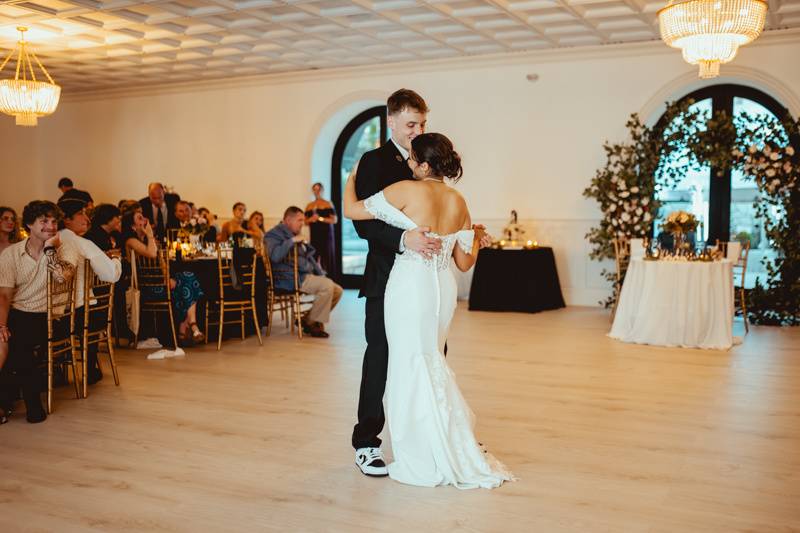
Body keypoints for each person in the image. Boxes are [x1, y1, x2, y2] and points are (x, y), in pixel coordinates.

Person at [344, 132, 511, 489]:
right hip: (443, 289)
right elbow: (465, 262)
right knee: (434, 360)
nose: (407, 165)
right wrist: (476, 237)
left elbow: (351, 210)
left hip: (410, 287)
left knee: (408, 364)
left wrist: (351, 180)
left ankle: (420, 448)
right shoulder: (458, 200)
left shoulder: (406, 189)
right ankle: (446, 440)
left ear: (422, 165)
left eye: (411, 161)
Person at [348, 89, 442, 476]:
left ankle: (434, 435)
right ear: (391, 122)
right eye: (410, 125)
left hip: (426, 281)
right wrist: (404, 239)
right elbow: (362, 221)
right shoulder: (374, 161)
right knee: (380, 357)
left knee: (430, 354)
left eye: (422, 124)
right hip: (386, 277)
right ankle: (366, 442)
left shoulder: (428, 157)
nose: (417, 131)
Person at [0, 201, 78, 424]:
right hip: (19, 313)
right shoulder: (11, 254)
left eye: (54, 221)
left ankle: (16, 403)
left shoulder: (66, 247)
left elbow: (63, 276)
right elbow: (4, 296)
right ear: (28, 225)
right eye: (44, 221)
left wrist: (50, 250)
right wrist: (2, 326)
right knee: (9, 340)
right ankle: (15, 402)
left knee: (20, 342)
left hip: (52, 316)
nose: (51, 226)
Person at [58, 200, 122, 384]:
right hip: (79, 318)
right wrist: (116, 258)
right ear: (66, 219)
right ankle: (89, 368)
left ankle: (55, 369)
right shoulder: (81, 243)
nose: (87, 218)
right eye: (81, 213)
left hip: (52, 319)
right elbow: (111, 274)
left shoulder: (48, 242)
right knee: (92, 310)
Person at [121, 211, 204, 345]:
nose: (145, 219)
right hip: (146, 287)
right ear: (132, 226)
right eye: (140, 218)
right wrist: (150, 235)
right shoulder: (131, 241)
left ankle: (189, 327)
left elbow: (162, 263)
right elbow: (152, 254)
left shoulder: (150, 241)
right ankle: (187, 327)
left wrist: (167, 278)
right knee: (186, 282)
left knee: (189, 276)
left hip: (159, 282)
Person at [264, 207, 343, 338]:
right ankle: (312, 324)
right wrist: (292, 241)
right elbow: (275, 255)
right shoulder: (273, 234)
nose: (302, 223)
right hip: (289, 278)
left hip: (304, 274)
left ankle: (307, 320)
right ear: (288, 220)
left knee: (338, 290)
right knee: (327, 286)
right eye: (299, 220)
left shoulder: (293, 234)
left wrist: (317, 269)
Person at [305, 183, 338, 277]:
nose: (317, 192)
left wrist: (320, 218)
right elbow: (305, 222)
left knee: (327, 256)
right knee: (314, 255)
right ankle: (316, 277)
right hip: (314, 234)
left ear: (322, 190)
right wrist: (311, 219)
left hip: (326, 234)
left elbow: (334, 220)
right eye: (314, 189)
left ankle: (330, 278)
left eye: (318, 189)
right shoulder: (309, 205)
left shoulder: (328, 203)